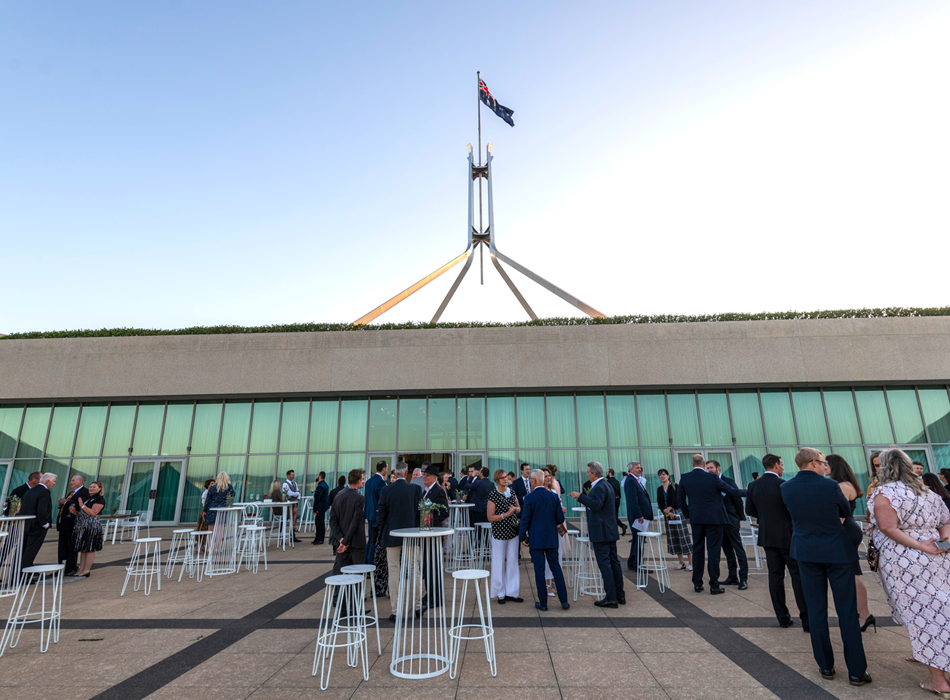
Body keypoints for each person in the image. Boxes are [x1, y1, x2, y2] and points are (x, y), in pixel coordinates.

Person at [781, 448, 870, 686]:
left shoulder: (785, 487)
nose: (824, 467)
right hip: (837, 552)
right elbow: (844, 510)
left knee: (816, 610)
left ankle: (826, 667)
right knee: (847, 612)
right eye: (822, 462)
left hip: (806, 552)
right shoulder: (831, 486)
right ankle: (856, 672)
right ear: (813, 463)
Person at [869, 448, 950, 696]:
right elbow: (946, 520)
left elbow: (887, 527)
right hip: (938, 557)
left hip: (904, 561)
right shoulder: (927, 492)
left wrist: (919, 545)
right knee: (942, 610)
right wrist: (943, 540)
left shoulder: (885, 493)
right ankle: (934, 661)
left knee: (923, 617)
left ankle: (939, 681)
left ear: (885, 467)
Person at [745, 453, 809, 630]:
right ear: (775, 465)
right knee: (797, 576)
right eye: (781, 464)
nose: (782, 467)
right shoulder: (785, 485)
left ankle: (782, 618)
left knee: (775, 577)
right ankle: (806, 619)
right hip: (788, 536)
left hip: (767, 536)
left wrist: (766, 517)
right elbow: (794, 509)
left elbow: (749, 509)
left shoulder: (753, 486)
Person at [677, 453, 746, 594]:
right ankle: (714, 585)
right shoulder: (713, 477)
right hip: (714, 519)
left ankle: (697, 583)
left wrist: (689, 514)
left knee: (697, 549)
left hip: (696, 519)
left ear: (692, 464)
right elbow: (732, 491)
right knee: (713, 551)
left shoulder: (685, 477)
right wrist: (750, 490)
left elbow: (680, 500)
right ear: (703, 464)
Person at [826, 454, 874, 632]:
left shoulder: (842, 486)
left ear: (834, 466)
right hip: (848, 529)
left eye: (826, 464)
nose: (824, 467)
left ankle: (864, 614)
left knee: (853, 574)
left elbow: (838, 514)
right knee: (852, 572)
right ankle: (862, 613)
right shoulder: (846, 484)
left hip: (844, 530)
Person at [570, 461, 625, 608]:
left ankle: (611, 597)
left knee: (605, 563)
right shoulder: (607, 485)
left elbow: (596, 504)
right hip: (609, 529)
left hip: (601, 531)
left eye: (588, 472)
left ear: (594, 474)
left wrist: (580, 496)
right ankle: (619, 595)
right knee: (613, 562)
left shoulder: (599, 487)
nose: (587, 474)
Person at [376, 462, 421, 622]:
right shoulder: (416, 489)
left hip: (392, 535)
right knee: (414, 570)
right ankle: (417, 607)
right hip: (412, 536)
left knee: (394, 571)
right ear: (407, 472)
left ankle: (396, 610)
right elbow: (421, 513)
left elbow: (380, 515)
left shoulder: (386, 490)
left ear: (395, 472)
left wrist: (382, 533)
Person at [520, 470, 570, 611]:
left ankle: (543, 603)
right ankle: (564, 601)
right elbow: (560, 518)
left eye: (531, 479)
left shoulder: (529, 498)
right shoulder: (553, 496)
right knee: (556, 568)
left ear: (535, 481)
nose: (530, 481)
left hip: (536, 539)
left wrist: (522, 536)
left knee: (539, 570)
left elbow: (525, 519)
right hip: (551, 538)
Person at [706, 460, 748, 590]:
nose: (709, 470)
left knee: (738, 549)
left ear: (718, 468)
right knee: (728, 551)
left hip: (731, 520)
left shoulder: (728, 481)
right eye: (707, 468)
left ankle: (743, 579)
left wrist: (740, 518)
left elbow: (737, 500)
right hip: (719, 522)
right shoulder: (710, 483)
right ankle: (732, 576)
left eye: (711, 468)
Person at [487, 468, 522, 604]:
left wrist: (515, 509)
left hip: (512, 531)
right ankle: (500, 592)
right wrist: (506, 514)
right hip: (499, 533)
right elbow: (490, 517)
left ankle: (512, 592)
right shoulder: (493, 495)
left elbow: (518, 507)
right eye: (502, 477)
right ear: (497, 479)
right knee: (498, 562)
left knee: (513, 561)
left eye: (506, 477)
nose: (505, 479)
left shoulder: (511, 491)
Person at [419, 464, 449, 615]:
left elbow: (444, 512)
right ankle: (430, 593)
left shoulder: (438, 491)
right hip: (426, 534)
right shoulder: (426, 491)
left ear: (434, 478)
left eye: (427, 476)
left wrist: (429, 519)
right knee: (427, 566)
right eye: (424, 475)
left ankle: (435, 597)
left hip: (433, 533)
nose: (424, 477)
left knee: (433, 565)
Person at [329, 469, 366, 575]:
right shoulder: (359, 498)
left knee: (340, 574)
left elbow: (333, 520)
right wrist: (345, 541)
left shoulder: (338, 495)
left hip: (341, 543)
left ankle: (339, 592)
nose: (363, 481)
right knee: (357, 576)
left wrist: (340, 538)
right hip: (355, 543)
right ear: (358, 481)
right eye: (362, 479)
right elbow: (355, 522)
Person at [656, 468, 692, 571]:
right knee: (673, 537)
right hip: (667, 514)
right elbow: (659, 501)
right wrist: (665, 510)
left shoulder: (675, 486)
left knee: (683, 536)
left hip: (677, 512)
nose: (662, 476)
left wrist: (670, 508)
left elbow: (678, 498)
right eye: (660, 475)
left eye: (664, 474)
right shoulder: (659, 489)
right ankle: (681, 562)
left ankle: (691, 563)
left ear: (668, 476)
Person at [20, 473, 56, 569]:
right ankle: (24, 575)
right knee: (31, 551)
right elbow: (42, 509)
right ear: (48, 481)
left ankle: (19, 573)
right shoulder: (44, 492)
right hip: (37, 526)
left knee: (23, 550)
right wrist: (45, 523)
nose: (54, 483)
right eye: (53, 481)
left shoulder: (30, 491)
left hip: (26, 525)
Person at [623, 461, 653, 572]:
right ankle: (638, 565)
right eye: (637, 468)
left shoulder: (636, 480)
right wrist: (639, 514)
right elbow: (633, 500)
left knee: (637, 540)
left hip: (641, 516)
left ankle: (632, 562)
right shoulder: (630, 481)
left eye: (640, 467)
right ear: (630, 470)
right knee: (639, 541)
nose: (640, 469)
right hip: (638, 517)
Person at [72, 480, 105, 578]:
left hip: (91, 527)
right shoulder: (88, 499)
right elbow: (84, 512)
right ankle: (81, 569)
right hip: (82, 526)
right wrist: (74, 512)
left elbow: (93, 512)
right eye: (90, 486)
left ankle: (86, 570)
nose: (91, 488)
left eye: (94, 487)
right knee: (83, 549)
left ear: (99, 489)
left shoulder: (99, 499)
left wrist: (82, 505)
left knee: (89, 548)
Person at [58, 474, 90, 576]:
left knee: (72, 546)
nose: (71, 482)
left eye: (73, 480)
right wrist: (61, 504)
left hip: (73, 524)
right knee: (62, 546)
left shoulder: (84, 492)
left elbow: (79, 506)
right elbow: (67, 504)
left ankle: (71, 567)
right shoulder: (71, 493)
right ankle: (61, 566)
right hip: (64, 523)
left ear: (80, 482)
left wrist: (66, 503)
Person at [364, 460, 388, 561]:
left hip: (369, 514)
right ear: (383, 469)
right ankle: (370, 566)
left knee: (370, 541)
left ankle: (365, 562)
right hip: (376, 516)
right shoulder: (380, 482)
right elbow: (383, 499)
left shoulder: (369, 481)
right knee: (374, 542)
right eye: (386, 468)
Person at [281, 469, 302, 542]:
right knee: (285, 519)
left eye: (294, 475)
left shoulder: (295, 483)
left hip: (294, 503)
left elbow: (298, 492)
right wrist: (297, 493)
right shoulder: (285, 484)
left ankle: (293, 536)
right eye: (292, 475)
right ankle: (282, 537)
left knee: (294, 518)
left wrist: (298, 498)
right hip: (288, 503)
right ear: (288, 475)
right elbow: (289, 493)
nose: (293, 476)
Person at [606, 469, 627, 536]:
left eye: (606, 472)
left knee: (611, 516)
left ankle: (622, 526)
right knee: (615, 516)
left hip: (612, 500)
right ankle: (615, 531)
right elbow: (619, 492)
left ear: (609, 473)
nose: (606, 474)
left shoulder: (608, 482)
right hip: (617, 500)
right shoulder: (616, 481)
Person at [311, 471, 329, 545]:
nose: (316, 476)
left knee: (319, 523)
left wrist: (315, 509)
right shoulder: (325, 485)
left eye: (317, 475)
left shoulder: (320, 486)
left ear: (320, 476)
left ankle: (320, 538)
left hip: (320, 507)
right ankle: (318, 538)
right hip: (323, 506)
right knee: (319, 522)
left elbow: (317, 498)